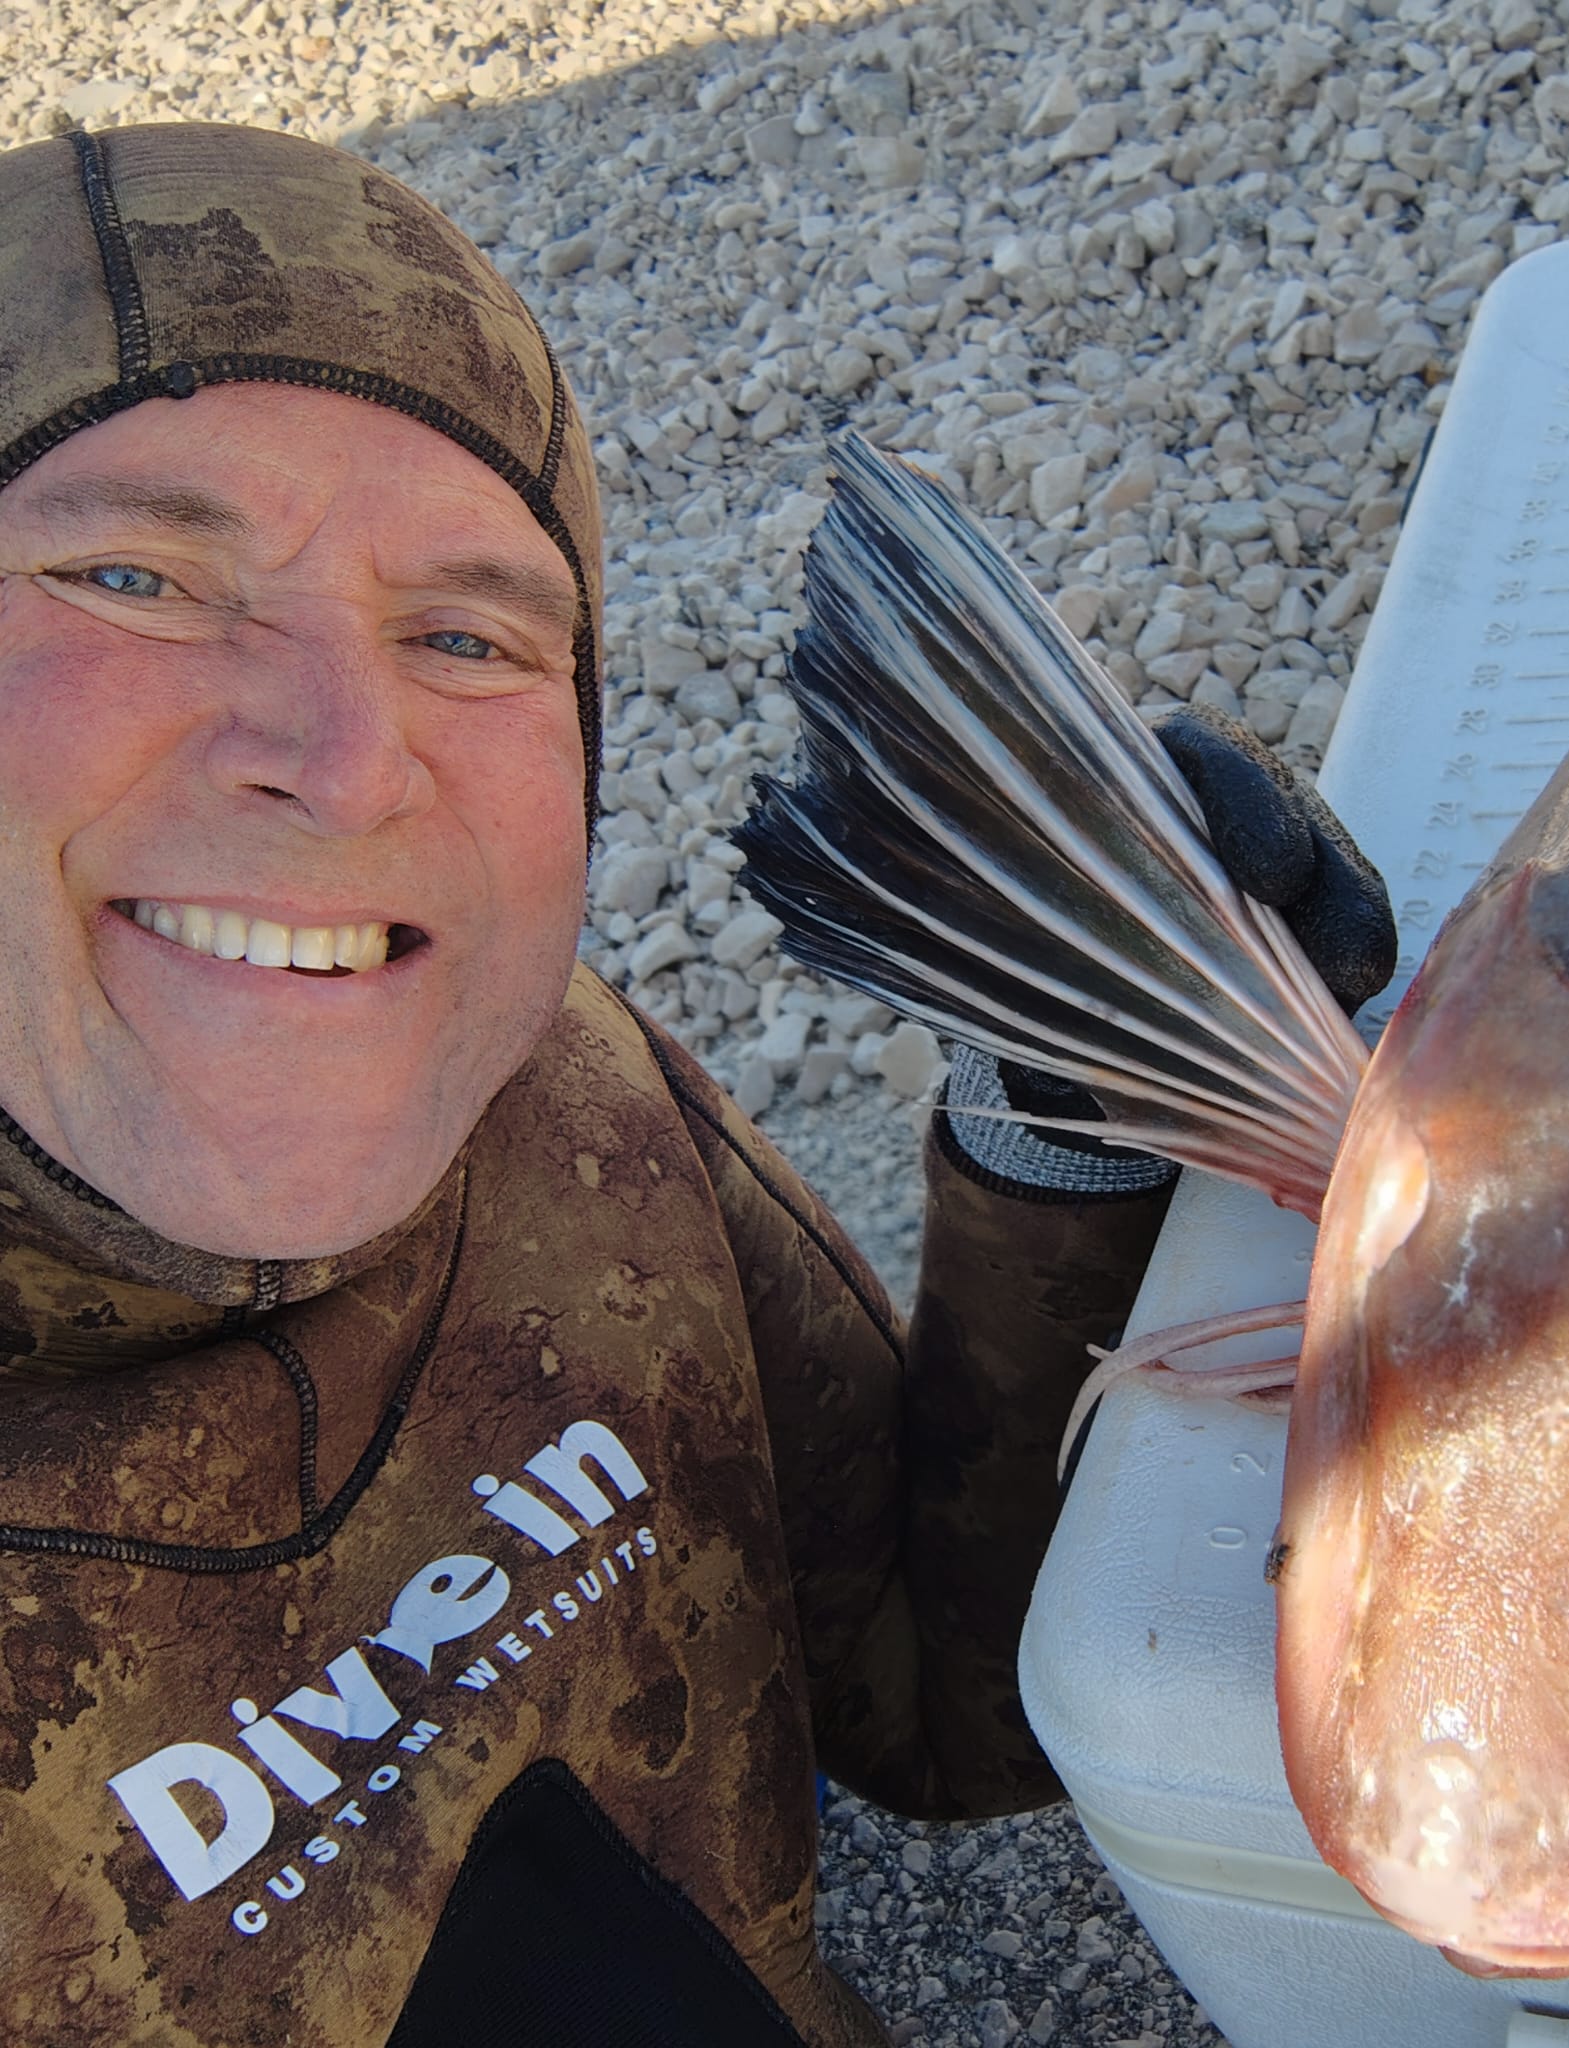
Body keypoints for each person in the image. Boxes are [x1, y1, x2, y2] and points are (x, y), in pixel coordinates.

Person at [0, 121, 1387, 2047]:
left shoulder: (569, 1107)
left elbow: (936, 1694)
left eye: (466, 634)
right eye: (134, 576)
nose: (346, 761)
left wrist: (1069, 1112)